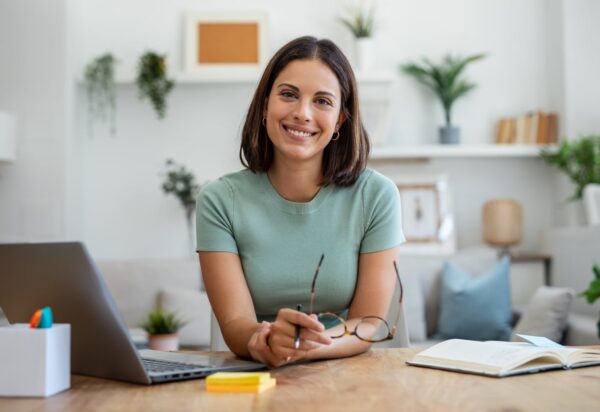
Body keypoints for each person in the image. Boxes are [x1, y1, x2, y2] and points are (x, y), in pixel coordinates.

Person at [196, 36, 405, 367]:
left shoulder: (377, 196)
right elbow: (236, 327)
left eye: (322, 101)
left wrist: (305, 346)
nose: (302, 113)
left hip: (352, 381)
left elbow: (369, 322)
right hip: (259, 376)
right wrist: (265, 341)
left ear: (340, 120)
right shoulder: (219, 201)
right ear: (265, 105)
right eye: (289, 95)